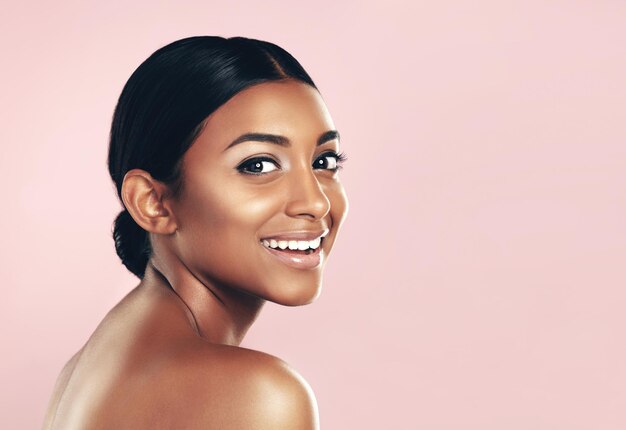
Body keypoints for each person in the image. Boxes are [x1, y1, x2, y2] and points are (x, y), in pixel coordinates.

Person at [42, 36, 348, 429]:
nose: (316, 202)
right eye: (257, 165)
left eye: (324, 161)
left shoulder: (89, 368)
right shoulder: (256, 394)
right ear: (152, 201)